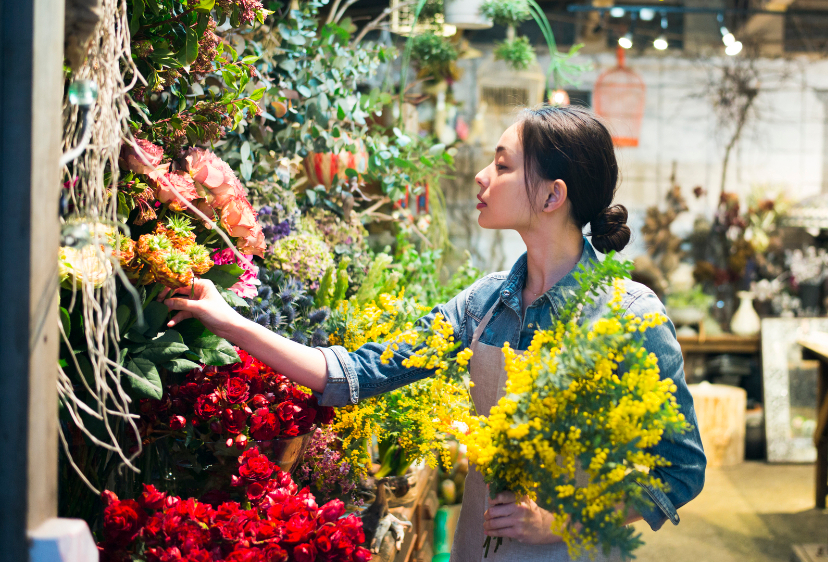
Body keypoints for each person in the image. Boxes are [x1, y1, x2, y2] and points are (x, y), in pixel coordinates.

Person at [165, 105, 706, 561]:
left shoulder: (629, 317)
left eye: (502, 165)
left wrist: (560, 521)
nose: (481, 177)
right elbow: (357, 373)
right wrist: (228, 319)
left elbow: (681, 473)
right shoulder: (484, 304)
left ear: (551, 196)